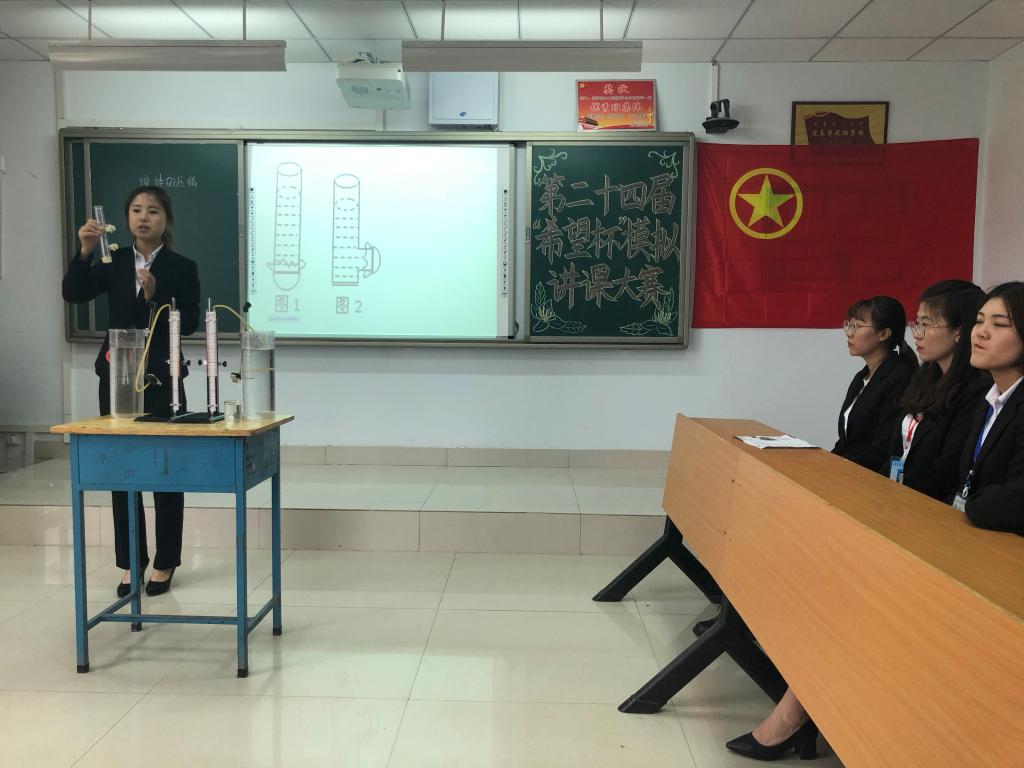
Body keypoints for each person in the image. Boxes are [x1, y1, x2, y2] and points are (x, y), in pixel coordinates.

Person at [62, 186, 200, 596]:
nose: (143, 217)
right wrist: (84, 251)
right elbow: (74, 293)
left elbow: (191, 322)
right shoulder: (113, 259)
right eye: (136, 210)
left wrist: (159, 296)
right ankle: (130, 562)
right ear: (125, 219)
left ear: (166, 219)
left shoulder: (181, 266)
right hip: (117, 376)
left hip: (162, 377)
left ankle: (165, 560)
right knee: (122, 471)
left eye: (152, 211)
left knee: (165, 471)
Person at [883, 280, 988, 499]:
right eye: (917, 323)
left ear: (959, 331)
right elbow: (895, 449)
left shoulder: (975, 391)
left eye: (926, 324)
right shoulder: (923, 377)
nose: (917, 334)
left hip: (926, 503)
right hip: (895, 494)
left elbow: (945, 473)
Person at [952, 281, 1024, 535]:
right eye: (979, 321)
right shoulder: (988, 397)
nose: (981, 332)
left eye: (999, 324)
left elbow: (1017, 499)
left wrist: (971, 505)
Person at [833, 296, 917, 470]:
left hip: (871, 475)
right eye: (848, 324)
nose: (849, 333)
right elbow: (845, 442)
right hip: (848, 469)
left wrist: (838, 468)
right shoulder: (861, 377)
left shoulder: (899, 378)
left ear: (884, 334)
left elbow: (881, 448)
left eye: (857, 326)